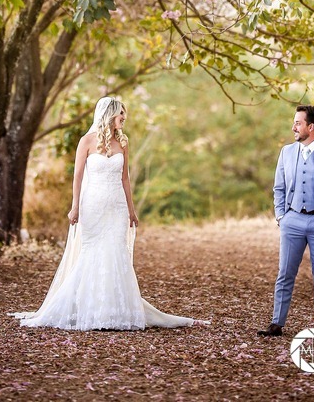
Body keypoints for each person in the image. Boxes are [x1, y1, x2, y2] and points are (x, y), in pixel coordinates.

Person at [11, 96, 195, 330]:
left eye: (124, 115)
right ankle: (91, 310)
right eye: (121, 114)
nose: (124, 118)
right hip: (93, 206)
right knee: (92, 252)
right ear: (109, 115)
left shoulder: (123, 143)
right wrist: (75, 206)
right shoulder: (86, 142)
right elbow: (77, 176)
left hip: (117, 206)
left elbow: (125, 179)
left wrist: (131, 210)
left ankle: (115, 312)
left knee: (116, 251)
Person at [258, 104, 314, 338]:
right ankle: (277, 324)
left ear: (311, 126)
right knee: (285, 274)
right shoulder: (287, 153)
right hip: (293, 220)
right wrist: (281, 216)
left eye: (298, 123)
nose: (293, 127)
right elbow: (279, 187)